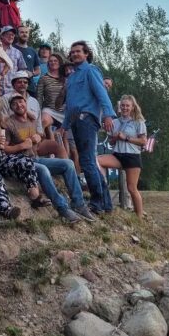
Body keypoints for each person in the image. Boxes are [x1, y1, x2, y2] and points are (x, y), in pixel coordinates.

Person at [0, 94, 80, 222]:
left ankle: (35, 196)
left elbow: (18, 118)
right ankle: (5, 209)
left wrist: (30, 116)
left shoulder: (2, 121)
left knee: (25, 161)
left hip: (0, 157)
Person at [5, 93, 96, 221]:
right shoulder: (9, 124)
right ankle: (62, 208)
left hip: (34, 158)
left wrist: (39, 137)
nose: (19, 105)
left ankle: (78, 203)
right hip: (21, 162)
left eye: (21, 102)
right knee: (43, 169)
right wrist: (21, 146)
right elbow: (4, 148)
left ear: (26, 103)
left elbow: (40, 135)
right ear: (11, 108)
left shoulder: (32, 119)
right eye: (14, 104)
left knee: (68, 164)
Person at [64, 41, 117, 214]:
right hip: (75, 121)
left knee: (86, 161)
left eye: (79, 51)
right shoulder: (71, 78)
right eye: (72, 52)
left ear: (86, 54)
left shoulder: (91, 70)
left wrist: (108, 114)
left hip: (87, 119)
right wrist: (64, 126)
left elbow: (101, 93)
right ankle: (106, 204)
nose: (75, 54)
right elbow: (70, 104)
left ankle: (96, 203)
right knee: (90, 162)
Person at [97, 95, 148, 218]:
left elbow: (143, 141)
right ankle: (104, 184)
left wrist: (126, 138)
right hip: (118, 155)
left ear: (132, 107)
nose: (125, 108)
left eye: (127, 106)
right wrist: (115, 138)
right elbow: (110, 142)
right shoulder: (115, 122)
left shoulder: (138, 122)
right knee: (97, 160)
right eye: (123, 105)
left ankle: (139, 217)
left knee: (131, 188)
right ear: (119, 107)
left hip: (132, 157)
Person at [37, 52, 68, 134]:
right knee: (43, 122)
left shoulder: (66, 78)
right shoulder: (43, 78)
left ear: (60, 63)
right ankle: (39, 143)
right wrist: (38, 113)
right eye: (50, 61)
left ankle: (55, 143)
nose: (53, 62)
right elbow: (39, 98)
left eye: (55, 61)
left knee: (64, 137)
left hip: (65, 111)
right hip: (49, 110)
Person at [0, 26, 28, 94]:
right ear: (2, 35)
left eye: (13, 35)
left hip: (12, 90)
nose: (11, 37)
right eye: (8, 34)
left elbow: (22, 71)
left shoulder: (17, 52)